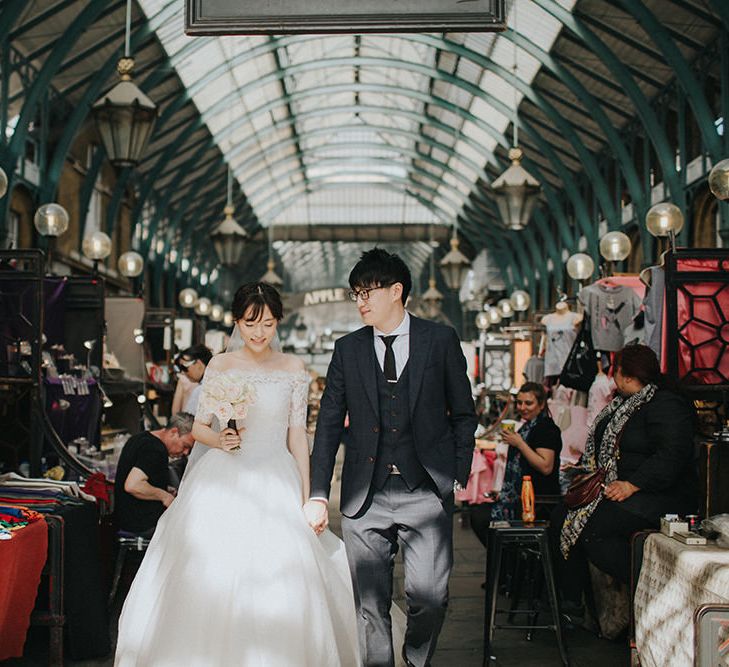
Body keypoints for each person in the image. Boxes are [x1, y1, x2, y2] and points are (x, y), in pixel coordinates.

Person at [114, 282, 359, 667]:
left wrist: (311, 495)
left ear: (278, 322)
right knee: (212, 568)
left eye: (267, 324)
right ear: (236, 323)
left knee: (286, 572)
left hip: (277, 475)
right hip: (225, 475)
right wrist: (222, 438)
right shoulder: (221, 366)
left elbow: (297, 436)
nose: (259, 333)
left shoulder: (294, 369)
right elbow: (200, 429)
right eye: (250, 324)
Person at [303, 248, 477, 667]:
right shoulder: (347, 349)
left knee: (430, 598)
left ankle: (417, 661)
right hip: (366, 495)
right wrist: (319, 492)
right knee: (370, 605)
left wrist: (456, 472)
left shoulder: (440, 340)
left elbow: (465, 413)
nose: (361, 301)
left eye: (369, 291)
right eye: (355, 293)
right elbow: (328, 424)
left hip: (426, 491)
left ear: (397, 291)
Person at [549, 344, 697, 611]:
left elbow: (671, 455)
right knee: (563, 515)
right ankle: (574, 600)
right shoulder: (623, 403)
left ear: (626, 376)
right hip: (622, 491)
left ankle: (651, 590)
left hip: (656, 497)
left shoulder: (665, 404)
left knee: (593, 526)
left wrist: (632, 485)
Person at [470, 382, 562, 547]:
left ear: (541, 405)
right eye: (519, 403)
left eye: (528, 403)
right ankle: (507, 561)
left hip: (535, 502)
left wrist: (519, 444)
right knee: (478, 513)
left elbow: (545, 466)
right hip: (518, 497)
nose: (523, 407)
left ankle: (506, 561)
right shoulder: (528, 426)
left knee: (480, 517)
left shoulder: (546, 428)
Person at [113, 413, 195, 538]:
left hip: (123, 519)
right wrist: (164, 496)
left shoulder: (139, 438)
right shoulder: (155, 449)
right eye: (185, 446)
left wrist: (162, 488)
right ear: (173, 432)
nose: (186, 453)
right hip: (141, 524)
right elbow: (133, 485)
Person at [170, 343, 212, 415]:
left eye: (184, 367)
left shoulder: (200, 390)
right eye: (180, 369)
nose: (183, 372)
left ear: (199, 364)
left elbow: (187, 421)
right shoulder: (215, 383)